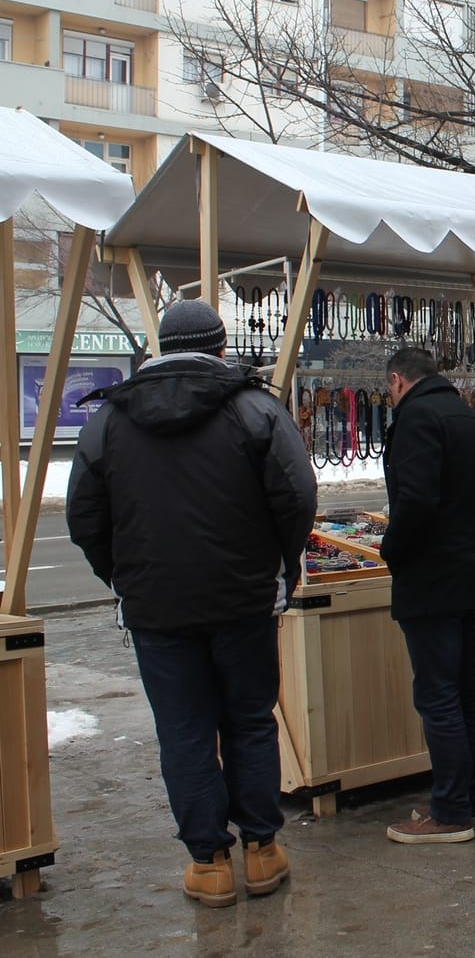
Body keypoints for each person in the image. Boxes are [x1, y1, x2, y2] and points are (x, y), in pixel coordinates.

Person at [66, 300, 316, 908]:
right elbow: (297, 494)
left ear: (161, 346)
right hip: (243, 600)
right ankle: (261, 852)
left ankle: (208, 863)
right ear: (221, 346)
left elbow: (84, 517)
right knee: (251, 723)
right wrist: (281, 566)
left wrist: (124, 578)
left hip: (156, 610)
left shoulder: (111, 420)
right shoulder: (255, 408)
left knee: (183, 733)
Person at [381, 347, 475, 845]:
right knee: (465, 686)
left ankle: (450, 811)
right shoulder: (466, 418)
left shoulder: (415, 419)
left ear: (397, 381)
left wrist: (392, 549)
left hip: (429, 576)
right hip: (466, 570)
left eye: (388, 391)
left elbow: (415, 501)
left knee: (438, 694)